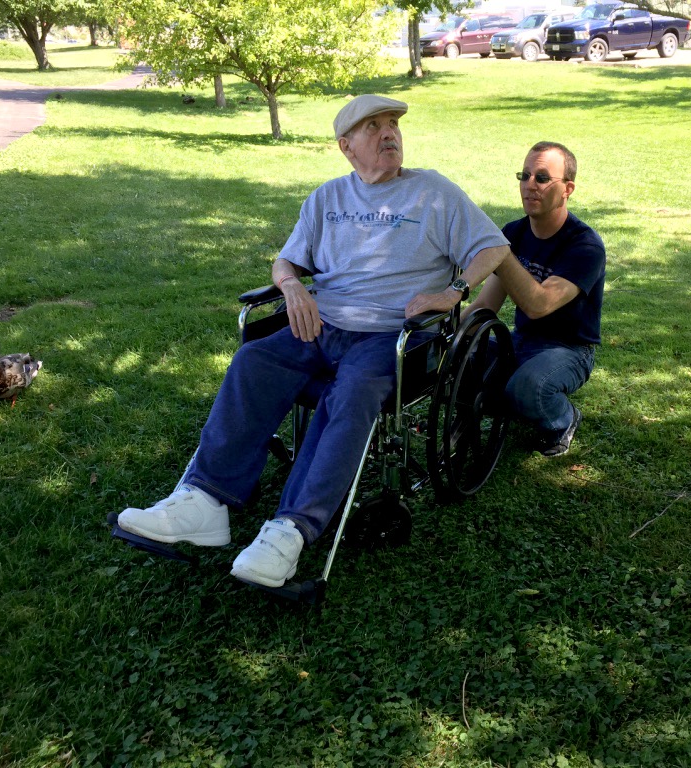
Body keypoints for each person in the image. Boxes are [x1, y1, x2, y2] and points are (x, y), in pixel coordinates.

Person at [116, 95, 511, 587]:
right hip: (319, 326)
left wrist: (453, 291)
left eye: (392, 125)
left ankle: (292, 530)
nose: (389, 134)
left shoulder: (432, 192)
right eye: (374, 128)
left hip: (390, 335)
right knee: (254, 360)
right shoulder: (326, 198)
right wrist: (292, 287)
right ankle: (205, 502)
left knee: (351, 393)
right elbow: (287, 261)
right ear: (346, 146)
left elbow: (493, 246)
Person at [466, 141, 605, 457]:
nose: (530, 185)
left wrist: (502, 254)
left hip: (568, 349)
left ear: (567, 188)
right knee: (457, 360)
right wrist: (444, 330)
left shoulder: (585, 246)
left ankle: (563, 419)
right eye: (524, 175)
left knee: (529, 388)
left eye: (542, 178)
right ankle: (514, 402)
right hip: (521, 341)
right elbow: (486, 306)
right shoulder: (513, 233)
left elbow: (539, 304)